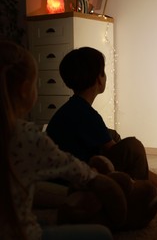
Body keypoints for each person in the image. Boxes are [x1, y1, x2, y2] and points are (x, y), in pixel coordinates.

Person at [0, 40, 113, 240]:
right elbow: (79, 171)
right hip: (23, 234)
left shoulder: (66, 112)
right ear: (26, 90)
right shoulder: (26, 134)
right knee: (102, 234)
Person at [46, 47, 157, 194]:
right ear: (99, 79)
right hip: (75, 179)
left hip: (65, 171)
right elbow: (114, 150)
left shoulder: (73, 107)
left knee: (111, 134)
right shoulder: (86, 114)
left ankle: (142, 175)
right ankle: (141, 187)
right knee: (133, 147)